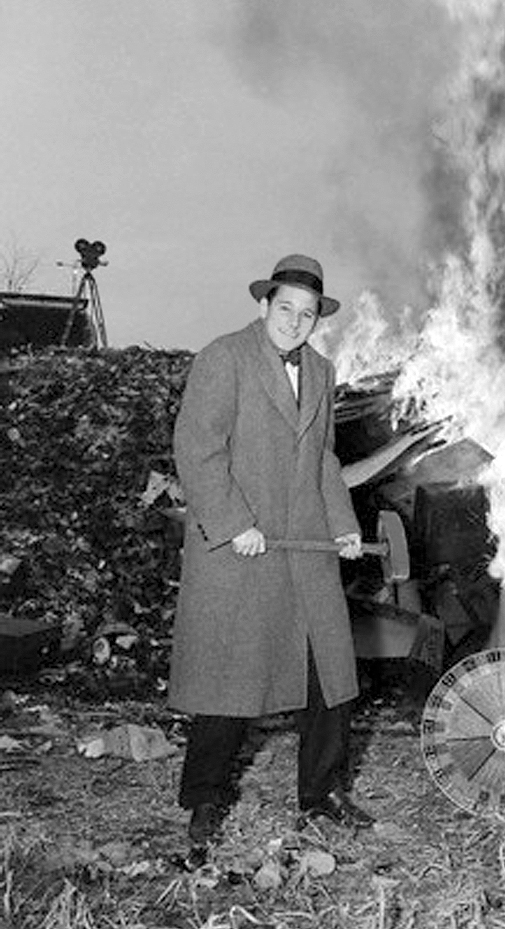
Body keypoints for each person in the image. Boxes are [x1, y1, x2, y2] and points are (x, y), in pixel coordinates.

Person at [169, 253, 375, 846]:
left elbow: (326, 460)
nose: (294, 321)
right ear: (264, 306)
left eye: (306, 314)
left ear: (317, 321)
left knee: (329, 676)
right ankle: (205, 803)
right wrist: (235, 523)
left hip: (305, 546)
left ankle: (323, 794)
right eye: (284, 308)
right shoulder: (224, 357)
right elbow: (198, 449)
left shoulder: (323, 370)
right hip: (242, 552)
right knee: (228, 685)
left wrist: (342, 525)